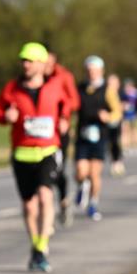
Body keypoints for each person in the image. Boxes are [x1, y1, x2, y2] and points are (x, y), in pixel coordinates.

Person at [0, 42, 70, 272]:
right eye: (23, 60)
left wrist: (64, 118)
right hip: (22, 153)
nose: (25, 65)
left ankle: (41, 247)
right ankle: (35, 245)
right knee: (29, 206)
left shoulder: (55, 85)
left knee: (46, 196)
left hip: (48, 149)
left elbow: (67, 104)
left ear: (41, 63)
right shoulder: (12, 88)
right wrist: (6, 115)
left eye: (30, 60)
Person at [74, 56, 115, 221]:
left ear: (101, 71)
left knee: (94, 173)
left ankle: (93, 203)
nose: (92, 73)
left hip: (100, 135)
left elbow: (117, 111)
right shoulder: (80, 88)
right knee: (81, 171)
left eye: (95, 70)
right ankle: (82, 186)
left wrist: (109, 116)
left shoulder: (107, 89)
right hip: (83, 135)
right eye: (89, 70)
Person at [43, 49, 80, 228]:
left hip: (59, 132)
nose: (47, 67)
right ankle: (46, 212)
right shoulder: (34, 78)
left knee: (56, 170)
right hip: (38, 136)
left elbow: (74, 101)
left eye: (50, 63)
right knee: (41, 175)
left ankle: (64, 199)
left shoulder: (64, 77)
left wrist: (64, 117)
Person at [105, 73, 126, 177]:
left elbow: (120, 108)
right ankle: (114, 162)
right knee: (110, 143)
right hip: (107, 121)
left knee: (116, 141)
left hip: (116, 121)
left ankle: (118, 161)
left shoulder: (120, 93)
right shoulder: (105, 92)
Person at [120, 77, 137, 155]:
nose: (127, 87)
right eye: (126, 86)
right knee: (125, 131)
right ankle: (126, 148)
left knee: (134, 131)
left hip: (134, 115)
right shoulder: (123, 93)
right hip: (125, 116)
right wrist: (123, 106)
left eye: (129, 85)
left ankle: (135, 147)